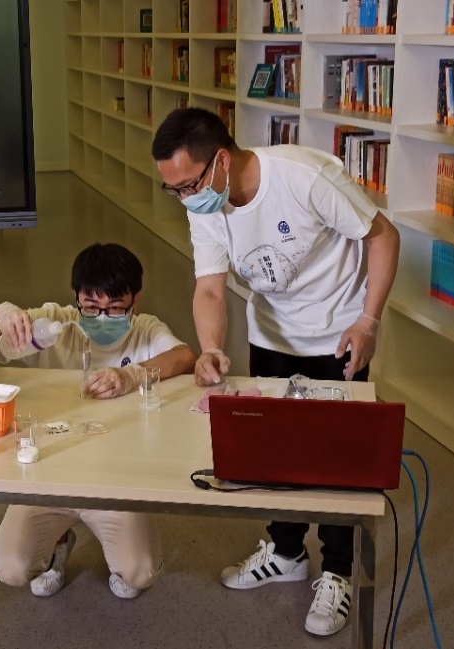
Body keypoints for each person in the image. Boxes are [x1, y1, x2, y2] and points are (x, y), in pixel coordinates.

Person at [151, 107, 400, 636]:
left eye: (188, 185)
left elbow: (382, 236)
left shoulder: (305, 177)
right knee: (274, 452)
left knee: (335, 463)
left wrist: (369, 321)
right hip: (270, 335)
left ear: (221, 161)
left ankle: (337, 571)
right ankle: (287, 552)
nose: (184, 198)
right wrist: (211, 348)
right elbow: (210, 287)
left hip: (337, 337)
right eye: (173, 190)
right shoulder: (204, 203)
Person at [0, 242, 197, 599]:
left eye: (115, 308)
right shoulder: (54, 323)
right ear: (76, 298)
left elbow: (184, 356)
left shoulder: (144, 330)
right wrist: (2, 315)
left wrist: (131, 374)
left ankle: (121, 547)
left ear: (135, 301)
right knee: (12, 566)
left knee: (138, 571)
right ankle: (58, 540)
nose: (102, 318)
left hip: (117, 481)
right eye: (91, 307)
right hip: (48, 476)